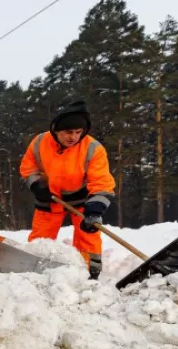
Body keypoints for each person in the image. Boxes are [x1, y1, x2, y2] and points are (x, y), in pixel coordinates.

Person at [19, 100, 116, 280]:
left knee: (88, 234)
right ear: (56, 130)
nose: (73, 137)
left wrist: (95, 210)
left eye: (78, 132)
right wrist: (36, 185)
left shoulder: (93, 148)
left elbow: (102, 181)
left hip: (82, 200)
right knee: (40, 240)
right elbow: (28, 167)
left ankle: (90, 274)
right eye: (68, 132)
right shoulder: (40, 142)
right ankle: (33, 272)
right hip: (49, 199)